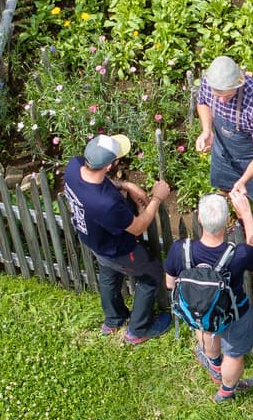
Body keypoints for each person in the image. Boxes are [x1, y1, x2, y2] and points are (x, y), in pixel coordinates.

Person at [62, 133, 173, 345]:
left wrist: (126, 186)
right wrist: (157, 197)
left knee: (108, 275)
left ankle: (114, 319)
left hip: (93, 240)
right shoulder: (106, 203)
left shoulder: (73, 167)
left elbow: (100, 179)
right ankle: (139, 329)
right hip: (119, 249)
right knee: (152, 274)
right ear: (111, 165)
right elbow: (139, 226)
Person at [165, 191, 253, 402]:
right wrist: (246, 214)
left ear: (199, 218)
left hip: (198, 308)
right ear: (228, 221)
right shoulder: (239, 254)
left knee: (205, 327)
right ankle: (226, 391)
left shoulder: (179, 249)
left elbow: (170, 284)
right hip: (234, 311)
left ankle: (214, 364)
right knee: (234, 354)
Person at [195, 56, 253, 229]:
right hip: (225, 152)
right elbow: (203, 103)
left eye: (227, 95)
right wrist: (207, 130)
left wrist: (244, 180)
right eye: (217, 95)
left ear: (239, 83)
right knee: (228, 190)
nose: (221, 100)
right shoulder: (209, 81)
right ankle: (242, 222)